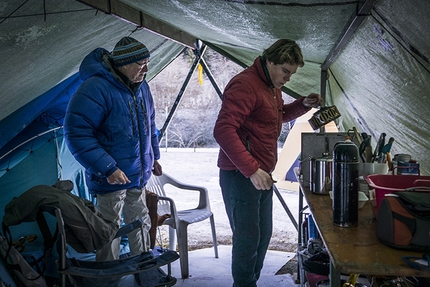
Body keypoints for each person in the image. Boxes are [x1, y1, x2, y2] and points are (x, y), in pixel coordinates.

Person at [213, 39, 322, 287]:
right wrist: (251, 170)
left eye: (292, 73)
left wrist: (301, 105)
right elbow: (223, 130)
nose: (288, 78)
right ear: (270, 60)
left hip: (261, 173)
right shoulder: (245, 84)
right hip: (241, 175)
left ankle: (250, 281)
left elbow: (277, 115)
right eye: (285, 71)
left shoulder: (271, 86)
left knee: (262, 237)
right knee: (248, 238)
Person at [64, 36, 162, 261]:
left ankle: (143, 270)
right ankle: (109, 279)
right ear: (124, 63)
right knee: (109, 230)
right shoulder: (95, 88)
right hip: (110, 179)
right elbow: (76, 132)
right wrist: (108, 168)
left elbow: (150, 123)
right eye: (141, 64)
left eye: (148, 62)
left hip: (138, 175)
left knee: (140, 224)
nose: (146, 68)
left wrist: (153, 157)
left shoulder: (141, 86)